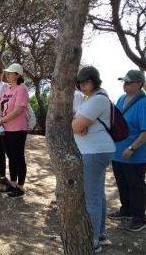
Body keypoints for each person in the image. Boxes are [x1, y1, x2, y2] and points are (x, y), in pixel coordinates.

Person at [71, 66, 115, 253]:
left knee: (92, 199)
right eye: (80, 82)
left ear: (95, 81)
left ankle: (93, 241)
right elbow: (77, 122)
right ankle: (101, 235)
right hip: (97, 151)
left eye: (86, 81)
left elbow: (75, 126)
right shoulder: (94, 99)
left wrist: (76, 123)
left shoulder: (97, 100)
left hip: (94, 153)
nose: (82, 85)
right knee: (99, 195)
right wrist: (77, 122)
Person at [108, 69, 146, 232]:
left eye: (129, 82)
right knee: (122, 183)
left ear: (139, 84)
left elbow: (145, 132)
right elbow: (115, 121)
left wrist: (132, 148)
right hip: (117, 153)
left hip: (135, 155)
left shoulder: (143, 103)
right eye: (124, 81)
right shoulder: (122, 98)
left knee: (136, 186)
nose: (125, 84)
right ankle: (126, 210)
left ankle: (139, 218)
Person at [0, 63, 29, 199]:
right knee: (10, 157)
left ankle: (20, 187)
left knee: (18, 157)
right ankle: (13, 184)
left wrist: (2, 120)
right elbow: (0, 106)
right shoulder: (7, 88)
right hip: (6, 128)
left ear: (18, 75)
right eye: (7, 73)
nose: (7, 75)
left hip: (18, 129)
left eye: (10, 73)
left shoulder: (22, 89)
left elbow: (18, 110)